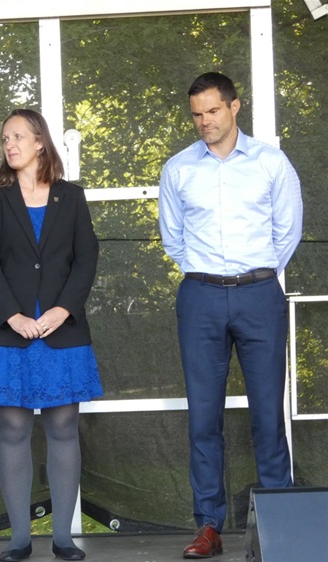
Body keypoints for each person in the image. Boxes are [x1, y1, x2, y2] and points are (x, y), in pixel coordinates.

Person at [158, 72, 302, 559]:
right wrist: (208, 276)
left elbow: (288, 231)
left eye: (213, 111)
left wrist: (256, 275)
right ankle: (209, 527)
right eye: (197, 114)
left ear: (234, 107)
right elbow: (173, 238)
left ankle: (283, 526)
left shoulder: (270, 162)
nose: (205, 121)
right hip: (200, 297)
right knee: (203, 418)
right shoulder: (178, 169)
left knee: (268, 414)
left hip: (259, 295)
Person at [0, 109, 103, 562]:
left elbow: (86, 257)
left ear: (40, 142)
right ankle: (19, 540)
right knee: (12, 428)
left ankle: (63, 538)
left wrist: (63, 309)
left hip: (62, 331)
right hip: (9, 332)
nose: (9, 144)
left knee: (63, 427)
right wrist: (12, 316)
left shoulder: (72, 196)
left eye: (18, 136)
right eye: (5, 138)